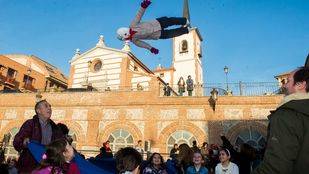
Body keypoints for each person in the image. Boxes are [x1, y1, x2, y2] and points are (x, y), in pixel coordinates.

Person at [252, 66, 309, 174]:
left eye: (288, 81)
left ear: (300, 85)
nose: (284, 85)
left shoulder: (286, 115)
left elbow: (276, 167)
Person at [116, 0, 189, 54]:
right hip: (157, 35)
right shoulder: (134, 40)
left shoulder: (133, 25)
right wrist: (151, 49)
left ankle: (184, 21)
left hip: (157, 23)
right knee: (172, 33)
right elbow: (143, 44)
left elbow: (138, 15)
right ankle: (186, 30)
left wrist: (143, 7)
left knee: (170, 21)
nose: (129, 37)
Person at [13, 100, 64, 173]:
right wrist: (24, 142)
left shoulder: (55, 128)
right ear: (38, 110)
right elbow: (17, 142)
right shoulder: (30, 124)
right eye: (46, 106)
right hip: (30, 167)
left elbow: (61, 145)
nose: (49, 108)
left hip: (48, 167)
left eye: (50, 106)